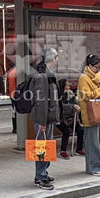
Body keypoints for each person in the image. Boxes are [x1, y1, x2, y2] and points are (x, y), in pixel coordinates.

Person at [29, 47, 61, 190]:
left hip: (48, 118)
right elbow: (41, 101)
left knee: (46, 147)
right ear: (53, 58)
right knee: (42, 148)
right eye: (57, 57)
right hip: (43, 119)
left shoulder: (46, 74)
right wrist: (42, 122)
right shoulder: (42, 76)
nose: (57, 60)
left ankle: (42, 173)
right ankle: (40, 176)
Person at [77, 55, 100, 176]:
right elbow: (87, 96)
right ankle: (93, 167)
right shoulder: (84, 78)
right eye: (96, 67)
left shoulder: (98, 77)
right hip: (90, 113)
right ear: (89, 66)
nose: (98, 70)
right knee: (93, 143)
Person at [57, 78, 83, 159]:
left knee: (80, 130)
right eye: (67, 85)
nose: (69, 87)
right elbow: (61, 106)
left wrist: (76, 104)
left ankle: (79, 149)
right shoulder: (57, 96)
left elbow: (76, 104)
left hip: (70, 117)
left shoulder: (70, 94)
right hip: (60, 118)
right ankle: (63, 151)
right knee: (66, 131)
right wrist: (72, 106)